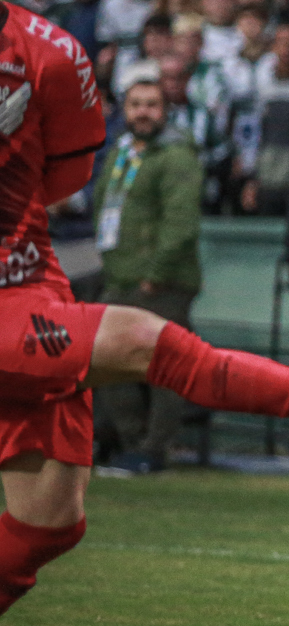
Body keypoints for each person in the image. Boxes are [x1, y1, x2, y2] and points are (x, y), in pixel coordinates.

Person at [0, 2, 289, 618]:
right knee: (146, 343)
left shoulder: (52, 53)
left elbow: (65, 180)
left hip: (35, 284)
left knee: (51, 522)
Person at [89, 78, 202, 472]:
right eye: (136, 104)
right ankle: (129, 441)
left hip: (161, 282)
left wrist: (155, 274)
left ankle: (154, 448)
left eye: (152, 104)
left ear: (165, 110)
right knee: (102, 361)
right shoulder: (121, 153)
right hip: (120, 276)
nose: (143, 112)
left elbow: (181, 222)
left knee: (163, 369)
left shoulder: (176, 156)